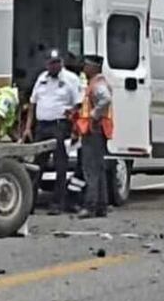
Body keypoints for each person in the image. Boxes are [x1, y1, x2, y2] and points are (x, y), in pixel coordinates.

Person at [22, 49, 82, 214]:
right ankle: (29, 203)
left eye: (57, 62)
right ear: (46, 64)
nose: (54, 66)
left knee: (60, 166)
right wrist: (28, 127)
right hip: (42, 126)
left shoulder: (71, 79)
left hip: (60, 126)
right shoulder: (41, 78)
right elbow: (33, 103)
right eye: (51, 63)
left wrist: (75, 127)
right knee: (36, 166)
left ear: (61, 63)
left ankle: (57, 203)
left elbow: (78, 104)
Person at [74, 55, 113, 219]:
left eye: (87, 65)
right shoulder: (95, 83)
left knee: (91, 170)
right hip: (96, 131)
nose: (84, 68)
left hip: (94, 131)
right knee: (99, 169)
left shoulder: (98, 84)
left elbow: (105, 99)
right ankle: (101, 206)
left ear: (95, 68)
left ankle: (90, 206)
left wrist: (93, 115)